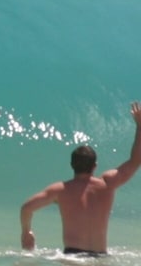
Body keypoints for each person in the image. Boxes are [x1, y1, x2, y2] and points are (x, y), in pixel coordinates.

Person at [20, 102, 141, 258]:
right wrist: (139, 126)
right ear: (95, 166)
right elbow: (135, 161)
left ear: (72, 165)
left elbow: (26, 208)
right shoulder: (107, 184)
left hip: (73, 258)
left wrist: (26, 232)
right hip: (100, 259)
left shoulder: (61, 190)